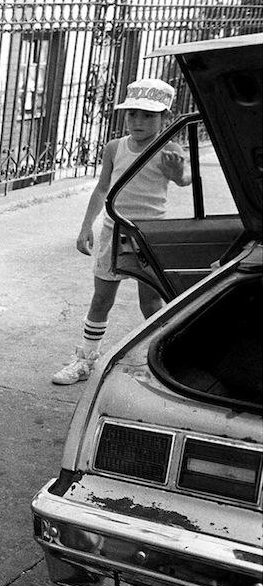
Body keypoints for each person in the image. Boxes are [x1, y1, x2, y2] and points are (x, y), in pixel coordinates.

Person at [51, 78, 190, 385]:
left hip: (149, 235)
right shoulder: (114, 148)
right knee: (101, 298)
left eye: (148, 115)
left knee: (151, 302)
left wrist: (176, 169)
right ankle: (85, 359)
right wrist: (86, 226)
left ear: (164, 118)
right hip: (114, 233)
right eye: (132, 114)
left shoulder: (169, 149)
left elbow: (184, 179)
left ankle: (164, 359)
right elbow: (102, 189)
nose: (138, 121)